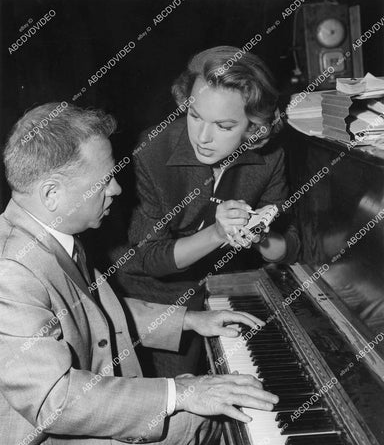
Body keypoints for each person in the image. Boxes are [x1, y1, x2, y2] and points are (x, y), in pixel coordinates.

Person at [0, 103, 278, 445]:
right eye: (103, 181)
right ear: (51, 194)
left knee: (205, 404)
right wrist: (180, 394)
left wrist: (191, 320)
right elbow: (55, 400)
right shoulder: (11, 272)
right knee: (202, 412)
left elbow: (95, 313)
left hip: (59, 434)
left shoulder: (51, 235)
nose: (115, 189)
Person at [108, 46, 300, 377]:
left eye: (224, 126)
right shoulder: (150, 151)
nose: (204, 137)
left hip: (221, 290)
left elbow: (284, 234)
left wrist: (259, 230)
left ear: (254, 128)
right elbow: (148, 258)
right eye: (195, 116)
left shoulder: (270, 157)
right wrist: (217, 234)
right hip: (151, 301)